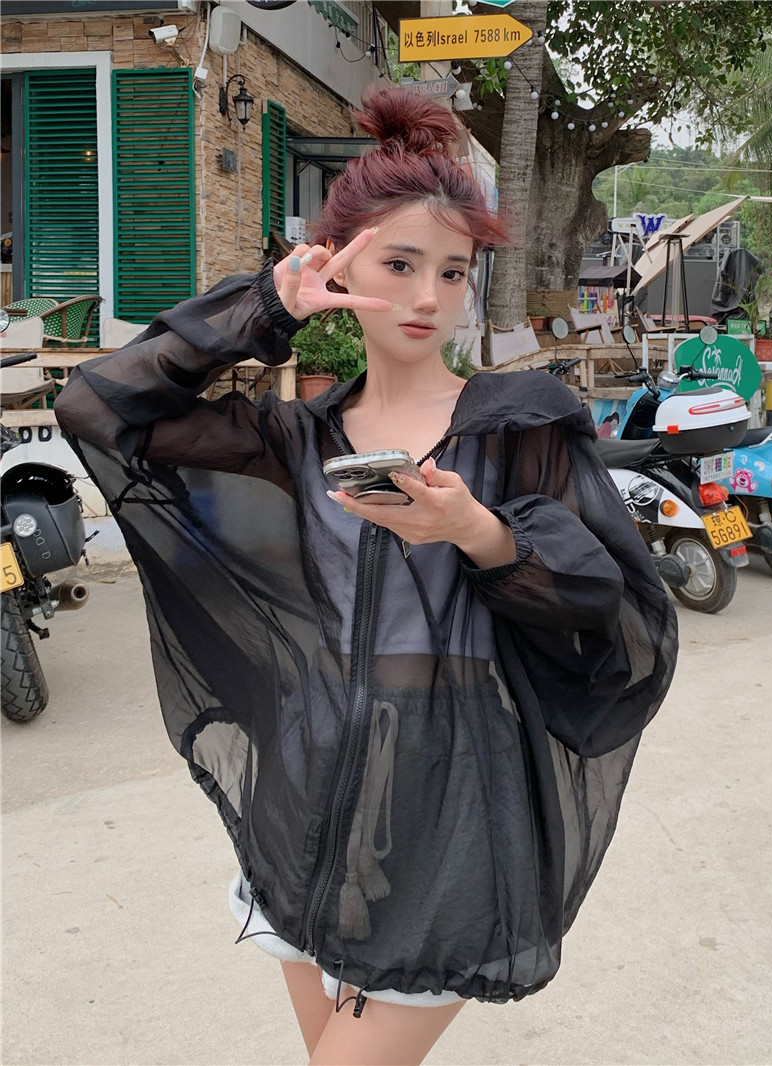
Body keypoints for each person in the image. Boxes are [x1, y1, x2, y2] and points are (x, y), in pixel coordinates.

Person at [55, 88, 678, 1066]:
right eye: (399, 264)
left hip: (453, 795)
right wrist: (264, 308)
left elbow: (620, 616)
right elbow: (97, 408)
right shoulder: (293, 439)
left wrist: (479, 532)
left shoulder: (520, 425)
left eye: (452, 271)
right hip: (305, 795)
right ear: (337, 264)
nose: (429, 297)